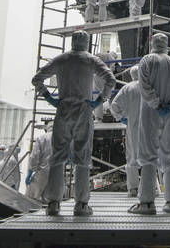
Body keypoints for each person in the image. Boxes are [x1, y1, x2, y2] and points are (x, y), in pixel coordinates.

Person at [32, 30, 117, 217]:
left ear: (72, 41)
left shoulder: (61, 59)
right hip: (83, 109)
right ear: (86, 42)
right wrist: (99, 101)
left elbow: (37, 79)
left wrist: (50, 99)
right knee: (83, 157)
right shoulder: (90, 60)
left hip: (63, 109)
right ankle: (81, 204)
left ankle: (53, 203)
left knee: (57, 157)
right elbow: (110, 79)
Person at [129, 33, 170, 215]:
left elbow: (144, 87)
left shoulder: (147, 61)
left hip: (150, 113)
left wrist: (156, 103)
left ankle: (146, 203)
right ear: (168, 44)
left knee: (148, 156)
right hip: (169, 114)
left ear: (151, 42)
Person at [108, 66, 143, 197]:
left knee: (132, 157)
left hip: (132, 126)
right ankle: (147, 188)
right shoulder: (149, 87)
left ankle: (133, 188)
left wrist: (122, 118)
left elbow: (114, 106)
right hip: (149, 127)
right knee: (149, 157)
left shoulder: (127, 88)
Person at [25, 123, 52, 203]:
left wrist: (30, 171)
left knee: (32, 199)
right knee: (50, 201)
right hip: (57, 172)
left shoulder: (42, 138)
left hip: (42, 172)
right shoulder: (62, 139)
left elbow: (34, 156)